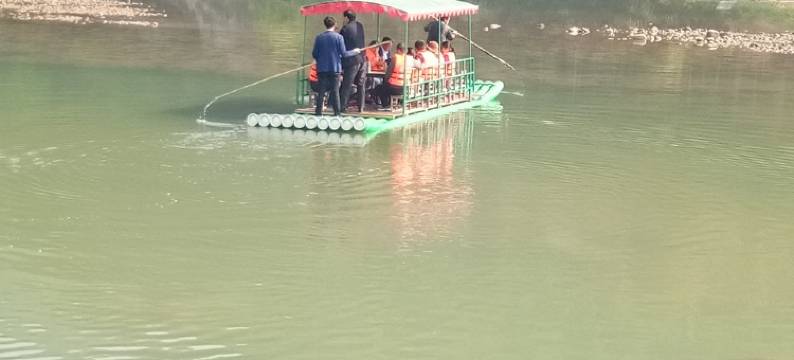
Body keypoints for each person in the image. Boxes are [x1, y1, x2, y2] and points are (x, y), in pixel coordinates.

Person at [312, 16, 361, 116]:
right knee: (335, 91)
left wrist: (321, 59)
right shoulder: (339, 37)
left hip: (322, 69)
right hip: (335, 68)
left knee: (321, 91)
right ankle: (337, 113)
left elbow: (314, 54)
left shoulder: (319, 37)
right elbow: (344, 54)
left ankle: (318, 113)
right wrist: (354, 51)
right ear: (334, 25)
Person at [338, 10, 366, 111]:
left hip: (352, 60)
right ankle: (361, 107)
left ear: (346, 18)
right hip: (362, 59)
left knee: (347, 84)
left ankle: (342, 107)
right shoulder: (360, 26)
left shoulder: (345, 28)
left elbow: (340, 45)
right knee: (361, 84)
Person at [376, 43, 408, 110]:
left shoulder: (395, 58)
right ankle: (397, 103)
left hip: (396, 86)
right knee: (385, 86)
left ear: (398, 50)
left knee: (379, 88)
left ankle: (386, 105)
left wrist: (386, 79)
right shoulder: (408, 58)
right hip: (406, 86)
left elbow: (389, 72)